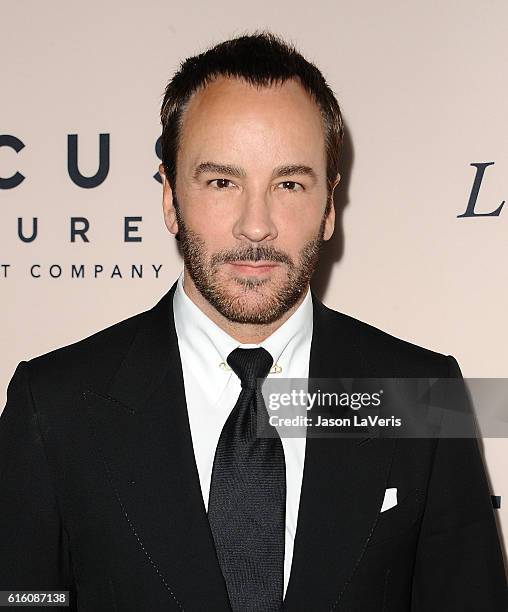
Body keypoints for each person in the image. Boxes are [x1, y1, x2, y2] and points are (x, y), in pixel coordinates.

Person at [1, 31, 506, 612]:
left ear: (328, 206)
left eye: (289, 183)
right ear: (169, 197)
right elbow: (20, 597)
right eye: (222, 182)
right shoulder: (56, 404)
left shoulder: (420, 395)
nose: (256, 225)